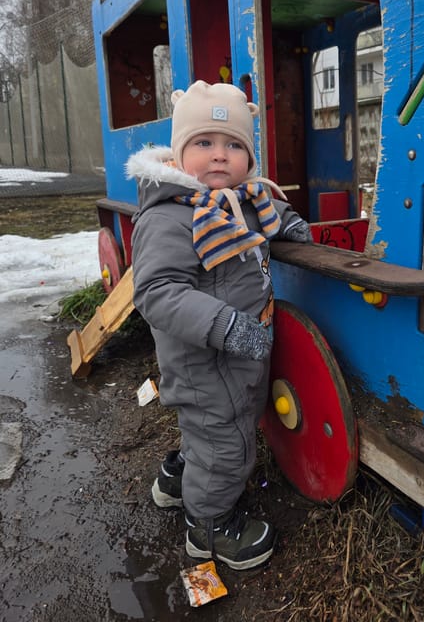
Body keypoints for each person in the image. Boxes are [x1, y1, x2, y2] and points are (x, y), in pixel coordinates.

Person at [126, 80, 312, 570]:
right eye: (204, 143)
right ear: (179, 152)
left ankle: (177, 479)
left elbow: (268, 210)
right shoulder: (169, 216)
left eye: (234, 146)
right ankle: (209, 530)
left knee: (211, 431)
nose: (219, 157)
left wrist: (289, 223)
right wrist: (226, 327)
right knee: (225, 442)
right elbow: (156, 291)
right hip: (205, 356)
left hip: (238, 351)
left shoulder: (242, 199)